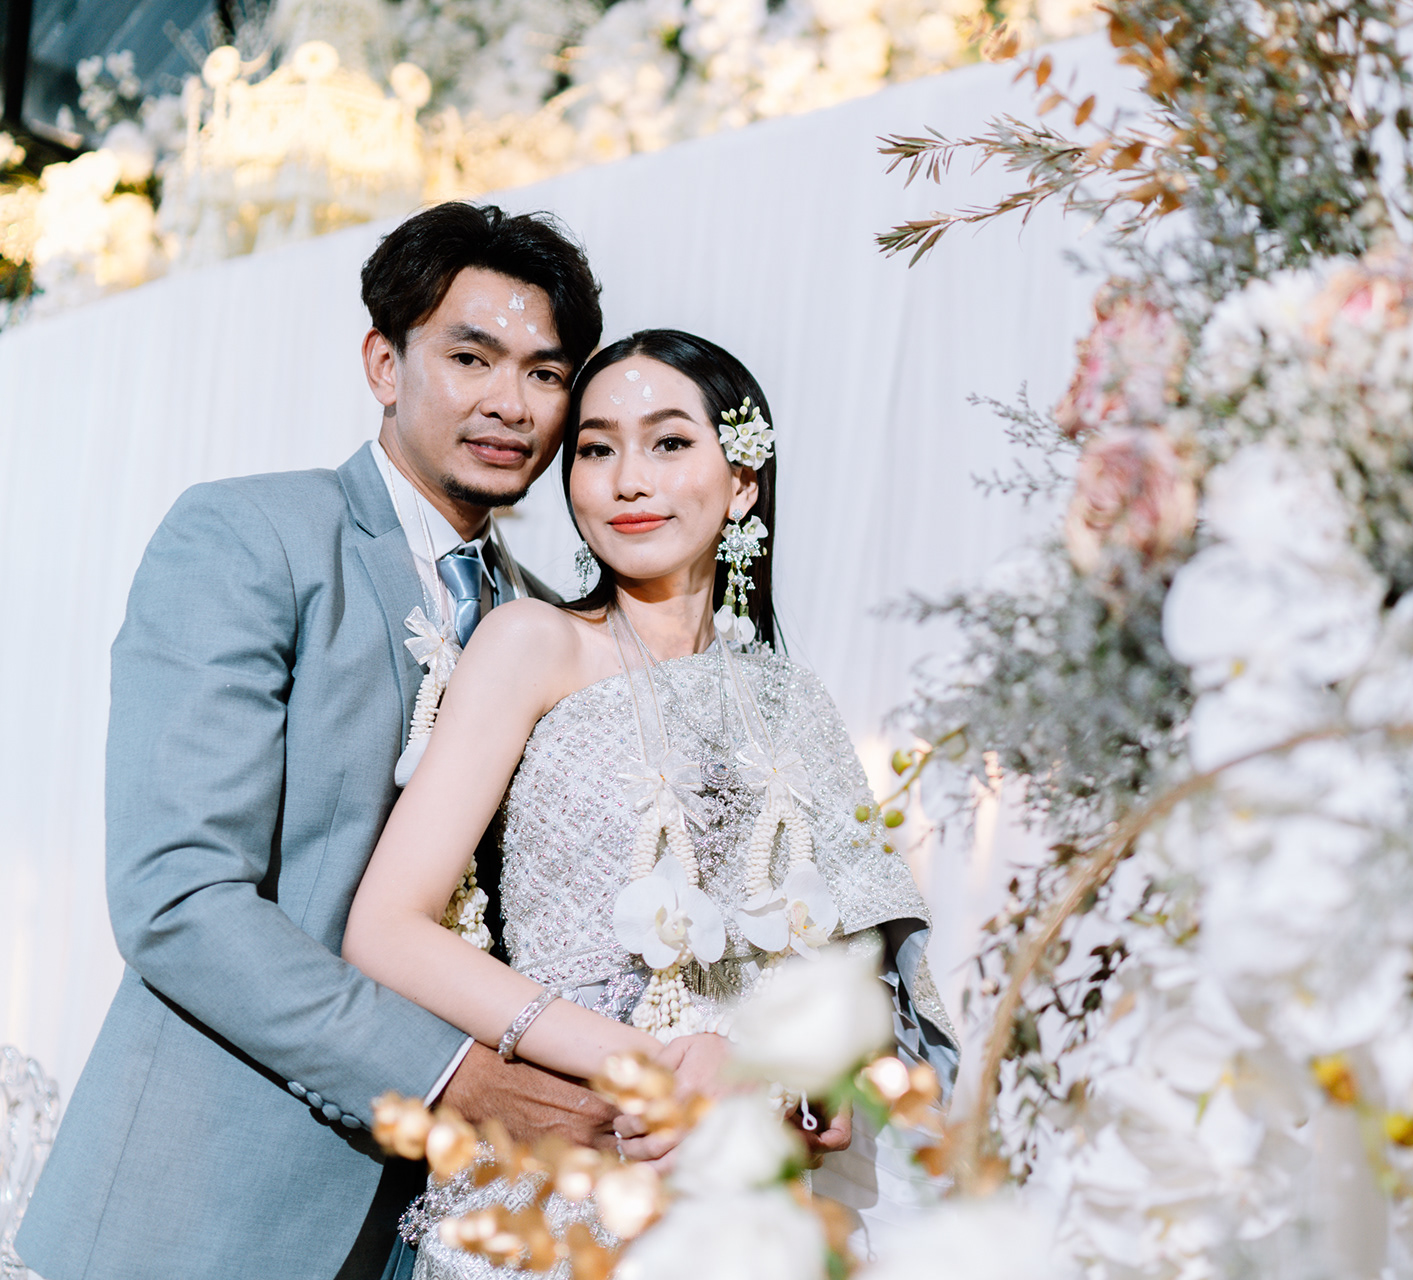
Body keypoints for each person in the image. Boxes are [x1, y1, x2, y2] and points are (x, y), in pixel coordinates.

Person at [15, 204, 654, 1280]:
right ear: (383, 362)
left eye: (545, 374)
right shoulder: (252, 537)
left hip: (455, 1226)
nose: (511, 403)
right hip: (208, 1204)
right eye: (471, 357)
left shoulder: (552, 628)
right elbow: (178, 896)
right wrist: (452, 1077)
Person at [342, 329, 958, 1275]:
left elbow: (865, 973)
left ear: (742, 480)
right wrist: (647, 1066)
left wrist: (804, 1084)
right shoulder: (534, 643)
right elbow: (386, 928)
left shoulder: (793, 702)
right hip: (576, 1154)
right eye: (597, 449)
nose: (628, 481)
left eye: (669, 443)